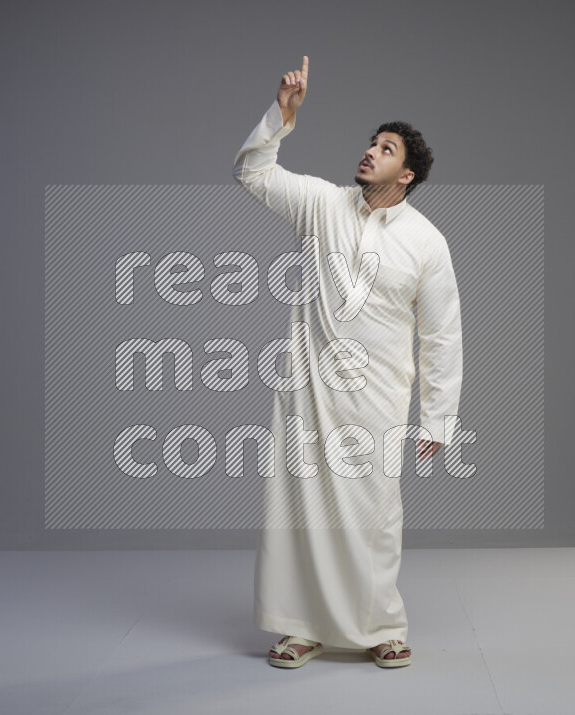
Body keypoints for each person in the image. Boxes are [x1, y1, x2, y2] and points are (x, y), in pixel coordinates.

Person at [232, 56, 463, 668]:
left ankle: (380, 626)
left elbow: (441, 335)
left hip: (377, 399)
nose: (369, 152)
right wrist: (282, 116)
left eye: (385, 149)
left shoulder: (426, 241)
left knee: (374, 515)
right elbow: (252, 172)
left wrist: (438, 416)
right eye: (371, 143)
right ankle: (300, 627)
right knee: (300, 511)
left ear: (406, 174)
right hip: (308, 394)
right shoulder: (322, 204)